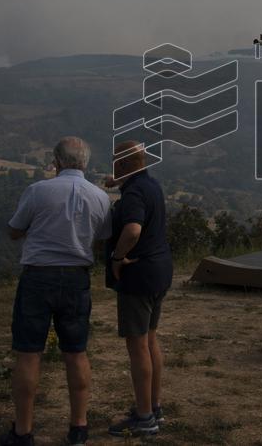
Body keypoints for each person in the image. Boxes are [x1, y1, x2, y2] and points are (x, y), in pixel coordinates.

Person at [2, 136, 111, 446]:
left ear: (57, 162)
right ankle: (78, 427)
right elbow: (103, 236)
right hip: (77, 279)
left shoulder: (38, 191)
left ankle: (23, 432)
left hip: (38, 277)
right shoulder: (100, 197)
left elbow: (14, 230)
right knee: (76, 353)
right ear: (86, 163)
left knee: (28, 353)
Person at [104, 141, 173, 438]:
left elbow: (133, 229)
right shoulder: (151, 185)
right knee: (150, 340)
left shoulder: (133, 192)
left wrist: (117, 258)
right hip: (160, 271)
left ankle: (144, 419)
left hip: (139, 274)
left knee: (137, 346)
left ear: (121, 164)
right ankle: (154, 406)